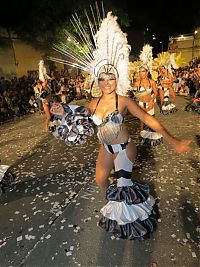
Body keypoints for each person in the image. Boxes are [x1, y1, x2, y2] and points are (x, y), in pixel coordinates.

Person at [50, 10, 191, 240]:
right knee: (101, 180)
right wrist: (61, 110)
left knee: (124, 186)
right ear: (98, 81)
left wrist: (172, 140)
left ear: (117, 79)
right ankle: (115, 209)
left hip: (124, 149)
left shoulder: (123, 101)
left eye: (111, 78)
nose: (107, 83)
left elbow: (148, 119)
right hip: (106, 148)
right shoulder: (93, 103)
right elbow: (77, 117)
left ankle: (132, 223)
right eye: (103, 79)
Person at [133, 66, 163, 146]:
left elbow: (156, 93)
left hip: (150, 103)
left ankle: (151, 137)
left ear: (146, 72)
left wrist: (151, 100)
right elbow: (136, 95)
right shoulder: (137, 83)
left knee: (150, 120)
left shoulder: (152, 82)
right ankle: (143, 137)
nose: (141, 73)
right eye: (140, 71)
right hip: (141, 104)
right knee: (142, 121)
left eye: (143, 71)